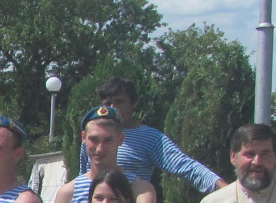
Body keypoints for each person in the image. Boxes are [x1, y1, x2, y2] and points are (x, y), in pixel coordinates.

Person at [88, 76, 226, 193]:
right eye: (107, 103)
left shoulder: (150, 138)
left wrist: (225, 189)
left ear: (134, 103)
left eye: (119, 102)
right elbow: (84, 177)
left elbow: (185, 166)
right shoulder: (93, 136)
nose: (113, 108)